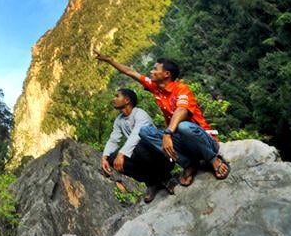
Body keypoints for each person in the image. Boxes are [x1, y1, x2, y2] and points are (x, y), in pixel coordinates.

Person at [95, 51, 231, 186]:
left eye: (155, 69)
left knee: (183, 127)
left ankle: (213, 159)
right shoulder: (156, 88)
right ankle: (189, 164)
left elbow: (182, 110)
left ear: (166, 74)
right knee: (145, 132)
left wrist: (168, 133)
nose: (151, 71)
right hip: (183, 143)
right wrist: (109, 60)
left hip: (203, 141)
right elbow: (131, 72)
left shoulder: (181, 89)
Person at [101, 88, 176, 202]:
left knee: (139, 145)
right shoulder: (119, 120)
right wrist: (104, 157)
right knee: (112, 159)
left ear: (126, 100)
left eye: (117, 96)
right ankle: (152, 183)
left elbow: (136, 135)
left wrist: (121, 154)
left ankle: (167, 178)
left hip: (164, 158)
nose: (114, 99)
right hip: (143, 157)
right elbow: (114, 139)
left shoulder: (140, 114)